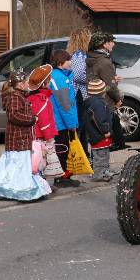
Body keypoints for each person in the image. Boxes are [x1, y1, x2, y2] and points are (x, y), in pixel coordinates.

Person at [0, 69, 51, 201]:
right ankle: (22, 191)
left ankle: (23, 189)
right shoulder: (15, 97)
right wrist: (32, 119)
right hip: (18, 138)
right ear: (20, 84)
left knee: (20, 166)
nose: (28, 84)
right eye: (26, 82)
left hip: (21, 137)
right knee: (19, 165)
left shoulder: (19, 96)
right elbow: (14, 115)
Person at [87, 32, 126, 150]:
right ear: (105, 44)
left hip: (91, 99)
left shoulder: (90, 57)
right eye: (111, 42)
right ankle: (102, 165)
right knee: (104, 136)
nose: (113, 44)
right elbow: (110, 86)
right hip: (104, 101)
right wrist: (118, 98)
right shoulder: (104, 61)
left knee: (95, 133)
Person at [49, 50, 80, 188]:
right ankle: (61, 177)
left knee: (64, 148)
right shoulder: (59, 78)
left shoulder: (62, 76)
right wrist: (72, 124)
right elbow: (65, 105)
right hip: (61, 123)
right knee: (63, 149)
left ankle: (64, 175)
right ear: (61, 62)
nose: (71, 62)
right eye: (69, 60)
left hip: (62, 121)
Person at [26, 65, 60, 182]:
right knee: (42, 161)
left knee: (35, 160)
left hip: (33, 136)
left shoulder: (30, 98)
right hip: (42, 137)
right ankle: (40, 185)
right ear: (46, 83)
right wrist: (49, 137)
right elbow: (44, 121)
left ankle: (39, 183)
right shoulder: (42, 100)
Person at [67, 28, 92, 156]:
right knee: (80, 126)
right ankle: (78, 155)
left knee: (83, 126)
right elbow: (77, 76)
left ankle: (83, 154)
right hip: (79, 94)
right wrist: (93, 78)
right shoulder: (78, 55)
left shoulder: (80, 54)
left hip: (81, 94)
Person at [85, 79, 114, 182]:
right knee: (101, 156)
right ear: (102, 92)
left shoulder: (90, 102)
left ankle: (104, 171)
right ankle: (98, 174)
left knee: (101, 155)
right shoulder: (99, 104)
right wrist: (106, 131)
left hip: (94, 135)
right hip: (100, 135)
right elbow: (100, 120)